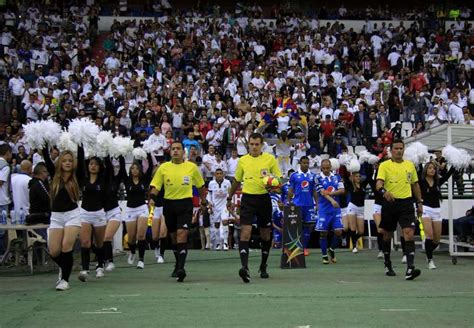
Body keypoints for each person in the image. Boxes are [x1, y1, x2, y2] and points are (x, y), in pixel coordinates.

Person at [227, 132, 282, 283]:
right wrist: (229, 197)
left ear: (262, 144)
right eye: (251, 144)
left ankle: (263, 265)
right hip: (248, 199)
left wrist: (274, 185)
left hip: (264, 199)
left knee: (265, 234)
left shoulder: (270, 159)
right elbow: (237, 181)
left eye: (257, 144)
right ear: (248, 145)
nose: (254, 147)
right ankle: (244, 268)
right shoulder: (243, 160)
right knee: (245, 232)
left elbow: (279, 178)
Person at [149, 141, 206, 282]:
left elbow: (200, 186)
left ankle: (181, 268)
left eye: (178, 149)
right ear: (170, 152)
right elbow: (156, 185)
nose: (175, 151)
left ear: (183, 151)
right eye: (173, 149)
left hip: (185, 204)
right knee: (174, 237)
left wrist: (203, 201)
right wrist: (152, 198)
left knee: (182, 235)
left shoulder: (191, 167)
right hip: (169, 204)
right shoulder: (163, 168)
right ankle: (178, 263)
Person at [376, 139, 423, 280]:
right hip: (390, 204)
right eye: (396, 148)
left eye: (401, 148)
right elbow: (378, 184)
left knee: (408, 232)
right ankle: (387, 262)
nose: (398, 151)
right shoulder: (384, 165)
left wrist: (419, 202)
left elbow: (415, 185)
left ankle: (410, 268)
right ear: (391, 150)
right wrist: (384, 191)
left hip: (406, 203)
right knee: (387, 234)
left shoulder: (410, 165)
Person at [43, 145, 84, 291]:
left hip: (72, 215)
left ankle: (65, 280)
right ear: (60, 162)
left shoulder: (78, 176)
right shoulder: (55, 175)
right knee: (54, 251)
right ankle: (64, 267)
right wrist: (44, 144)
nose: (67, 163)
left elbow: (82, 162)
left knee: (66, 246)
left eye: (70, 161)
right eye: (64, 160)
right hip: (56, 216)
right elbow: (47, 159)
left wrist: (80, 144)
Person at [419, 161, 454, 269]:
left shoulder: (438, 181)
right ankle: (430, 260)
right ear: (426, 170)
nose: (432, 170)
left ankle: (428, 251)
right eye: (430, 168)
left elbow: (449, 174)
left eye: (434, 168)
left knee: (436, 240)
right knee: (429, 235)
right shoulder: (421, 181)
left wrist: (454, 163)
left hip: (436, 210)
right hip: (425, 209)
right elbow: (418, 169)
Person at [77, 156, 107, 282]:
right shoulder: (83, 179)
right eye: (90, 164)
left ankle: (100, 265)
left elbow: (109, 168)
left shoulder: (103, 180)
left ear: (99, 167)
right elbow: (79, 163)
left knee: (99, 243)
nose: (93, 166)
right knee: (85, 242)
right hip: (85, 213)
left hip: (99, 213)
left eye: (95, 164)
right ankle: (85, 269)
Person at [122, 153, 154, 269]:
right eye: (132, 168)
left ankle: (141, 259)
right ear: (130, 170)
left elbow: (150, 168)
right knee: (131, 237)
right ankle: (132, 252)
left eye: (137, 168)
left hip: (142, 209)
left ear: (139, 170)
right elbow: (121, 168)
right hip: (130, 209)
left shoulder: (144, 180)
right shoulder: (127, 180)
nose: (135, 170)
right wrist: (120, 154)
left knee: (141, 235)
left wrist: (148, 154)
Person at [314, 159, 345, 264]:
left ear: (331, 167)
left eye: (328, 167)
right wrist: (332, 200)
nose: (326, 170)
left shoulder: (337, 176)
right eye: (324, 168)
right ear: (321, 168)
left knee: (338, 232)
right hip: (324, 208)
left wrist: (331, 194)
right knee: (323, 233)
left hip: (335, 209)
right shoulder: (317, 178)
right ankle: (324, 255)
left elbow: (342, 190)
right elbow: (322, 192)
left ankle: (331, 249)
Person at [287, 156, 318, 256]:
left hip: (309, 205)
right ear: (300, 163)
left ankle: (304, 247)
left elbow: (314, 191)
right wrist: (288, 202)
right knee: (296, 227)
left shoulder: (313, 176)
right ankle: (294, 247)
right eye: (304, 163)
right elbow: (291, 190)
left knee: (308, 227)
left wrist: (317, 203)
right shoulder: (294, 175)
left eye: (307, 163)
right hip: (297, 205)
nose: (305, 164)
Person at [102, 155, 126, 271]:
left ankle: (110, 262)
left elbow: (122, 169)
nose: (113, 169)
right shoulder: (102, 180)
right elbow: (107, 166)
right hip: (101, 212)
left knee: (107, 237)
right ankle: (102, 261)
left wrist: (120, 153)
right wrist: (106, 153)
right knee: (100, 240)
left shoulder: (117, 179)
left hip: (114, 211)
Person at [207, 168, 232, 250]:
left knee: (225, 221)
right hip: (215, 207)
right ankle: (218, 243)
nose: (219, 175)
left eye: (220, 173)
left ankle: (225, 243)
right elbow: (209, 194)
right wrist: (210, 203)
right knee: (216, 225)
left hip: (224, 206)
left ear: (223, 174)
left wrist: (229, 202)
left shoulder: (227, 182)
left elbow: (230, 193)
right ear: (215, 175)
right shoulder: (211, 183)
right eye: (217, 174)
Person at [0, 144, 12, 255]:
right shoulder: (5, 166)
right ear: (7, 152)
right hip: (2, 200)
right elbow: (1, 182)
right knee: (2, 230)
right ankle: (2, 255)